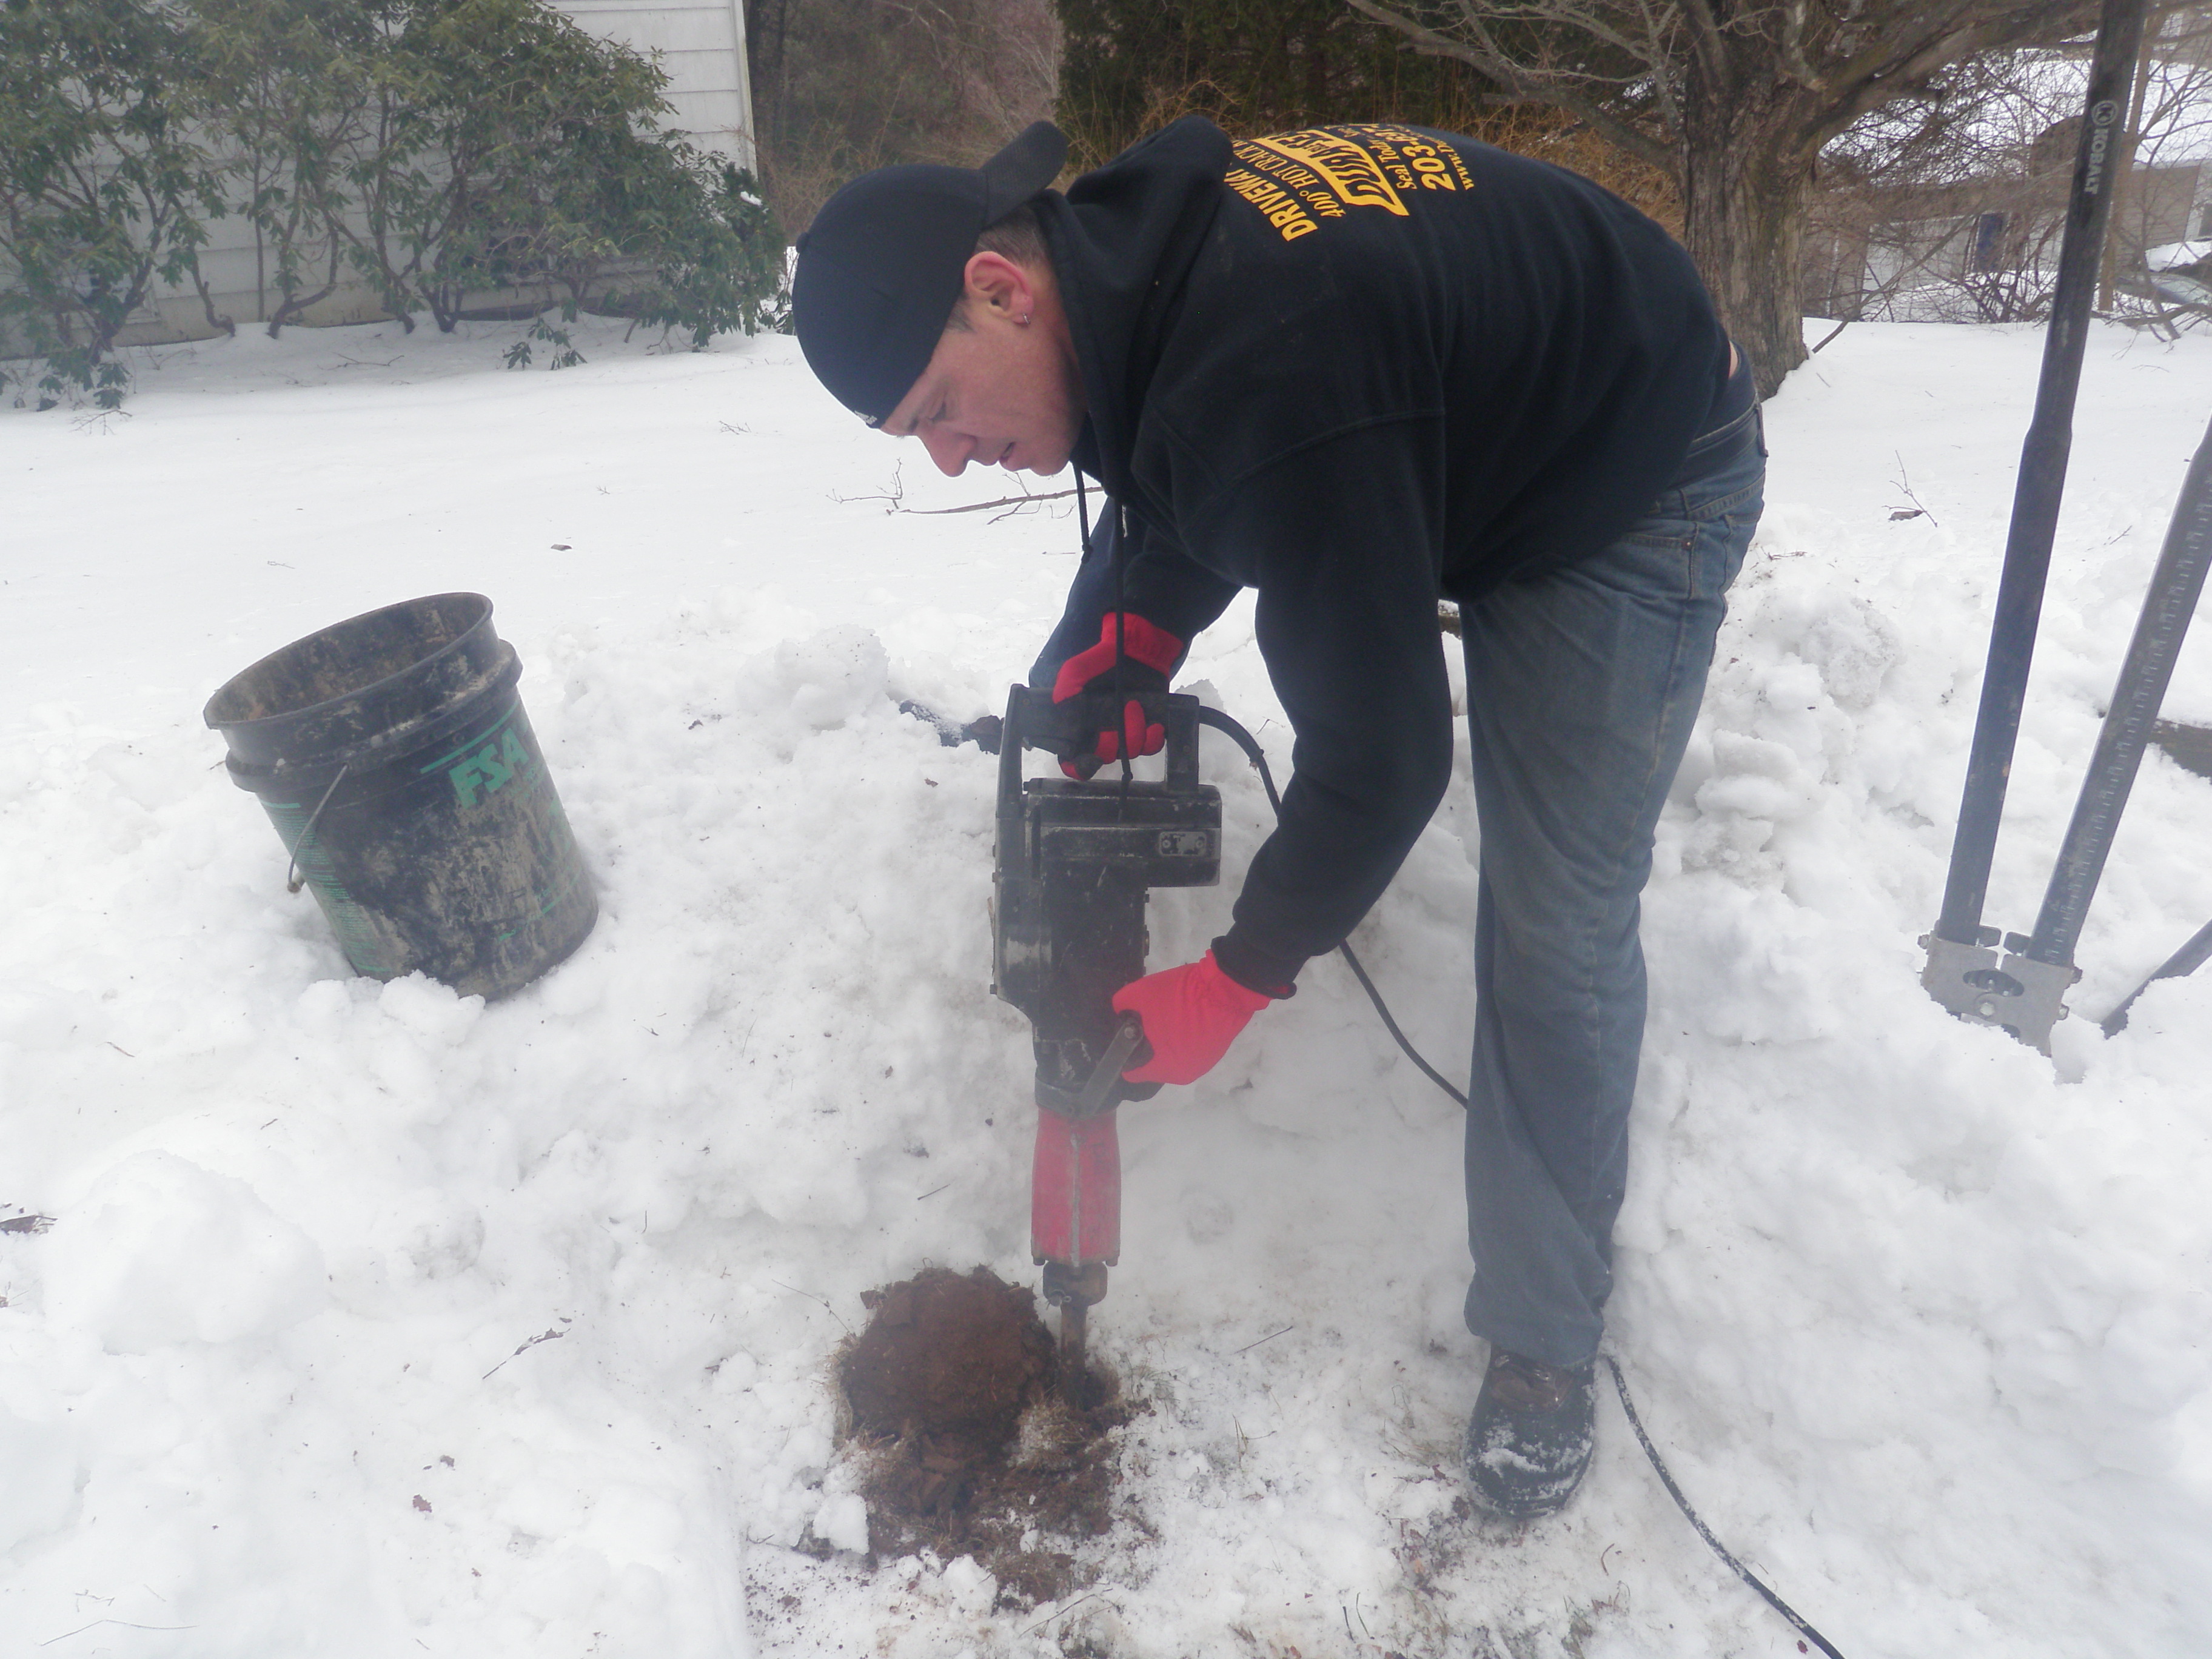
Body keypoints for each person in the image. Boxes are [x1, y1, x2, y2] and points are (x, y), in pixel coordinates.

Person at [789, 116, 1765, 1520]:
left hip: (1627, 474)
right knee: (1254, 525)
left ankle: (1546, 1344)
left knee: (1556, 922)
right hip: (1443, 417)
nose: (947, 458)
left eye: (939, 407)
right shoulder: (1131, 265)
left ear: (1001, 289)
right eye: (916, 439)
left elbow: (1381, 761)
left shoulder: (1276, 365)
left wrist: (1239, 977)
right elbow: (1177, 444)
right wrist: (1109, 642)